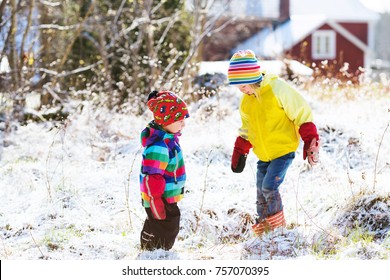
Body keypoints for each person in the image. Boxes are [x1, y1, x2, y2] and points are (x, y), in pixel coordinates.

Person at [228, 50, 320, 236]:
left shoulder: (277, 89)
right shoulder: (246, 101)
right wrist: (240, 149)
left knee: (269, 187)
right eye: (237, 86)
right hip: (263, 154)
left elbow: (301, 112)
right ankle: (264, 233)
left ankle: (278, 231)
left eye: (243, 85)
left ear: (253, 78)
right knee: (260, 195)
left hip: (283, 151)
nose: (241, 90)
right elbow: (247, 127)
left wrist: (310, 139)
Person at [139, 90, 189, 250]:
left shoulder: (168, 140)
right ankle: (155, 251)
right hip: (161, 198)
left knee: (161, 224)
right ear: (165, 121)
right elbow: (152, 177)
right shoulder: (159, 147)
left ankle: (153, 248)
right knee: (166, 227)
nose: (183, 124)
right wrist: (155, 201)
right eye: (180, 120)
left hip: (165, 196)